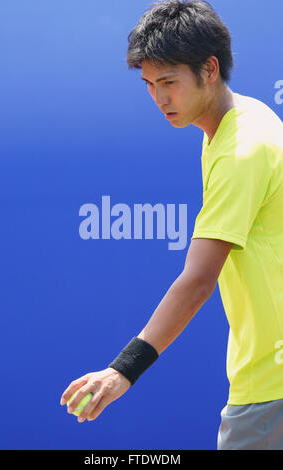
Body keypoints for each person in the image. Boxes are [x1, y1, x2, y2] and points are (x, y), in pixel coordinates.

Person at [60, 0, 283, 450]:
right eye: (148, 84)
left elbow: (199, 278)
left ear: (210, 69)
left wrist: (124, 368)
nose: (159, 98)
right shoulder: (238, 122)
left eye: (168, 82)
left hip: (270, 387)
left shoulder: (243, 148)